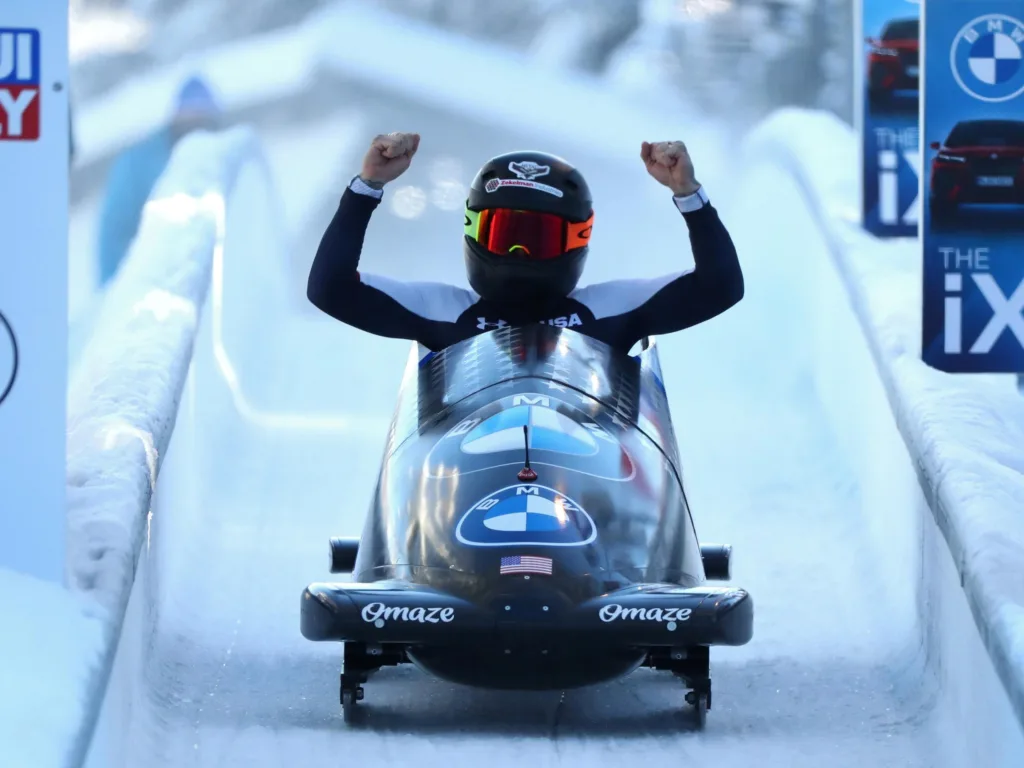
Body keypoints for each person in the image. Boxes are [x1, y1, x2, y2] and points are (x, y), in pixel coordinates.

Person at [307, 132, 743, 354]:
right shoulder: (441, 310)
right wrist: (369, 185)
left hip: (580, 484)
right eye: (504, 235)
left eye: (537, 238)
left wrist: (688, 193)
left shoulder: (610, 308)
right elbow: (330, 289)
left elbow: (720, 286)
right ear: (473, 229)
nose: (519, 253)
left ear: (577, 240)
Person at [95, 75, 221, 287]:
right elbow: (115, 232)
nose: (198, 129)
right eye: (191, 119)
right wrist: (116, 286)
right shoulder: (139, 164)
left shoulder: (209, 161)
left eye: (205, 122)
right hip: (136, 281)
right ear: (177, 118)